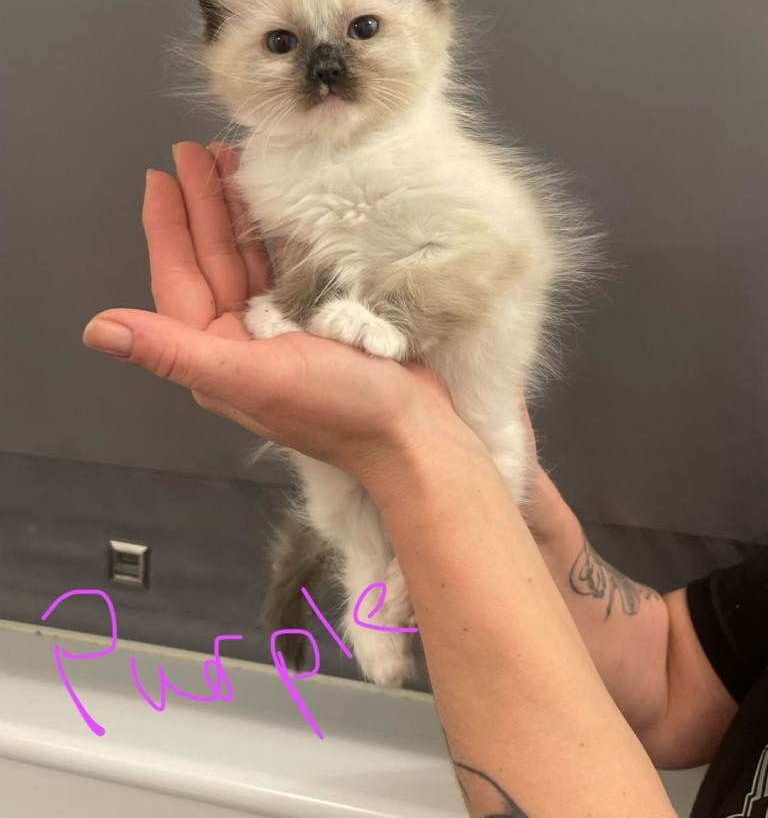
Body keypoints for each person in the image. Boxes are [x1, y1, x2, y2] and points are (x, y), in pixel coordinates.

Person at [82, 140, 765, 818]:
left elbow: (489, 256)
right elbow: (675, 678)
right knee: (359, 508)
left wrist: (414, 448)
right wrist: (433, 479)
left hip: (448, 362)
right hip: (440, 401)